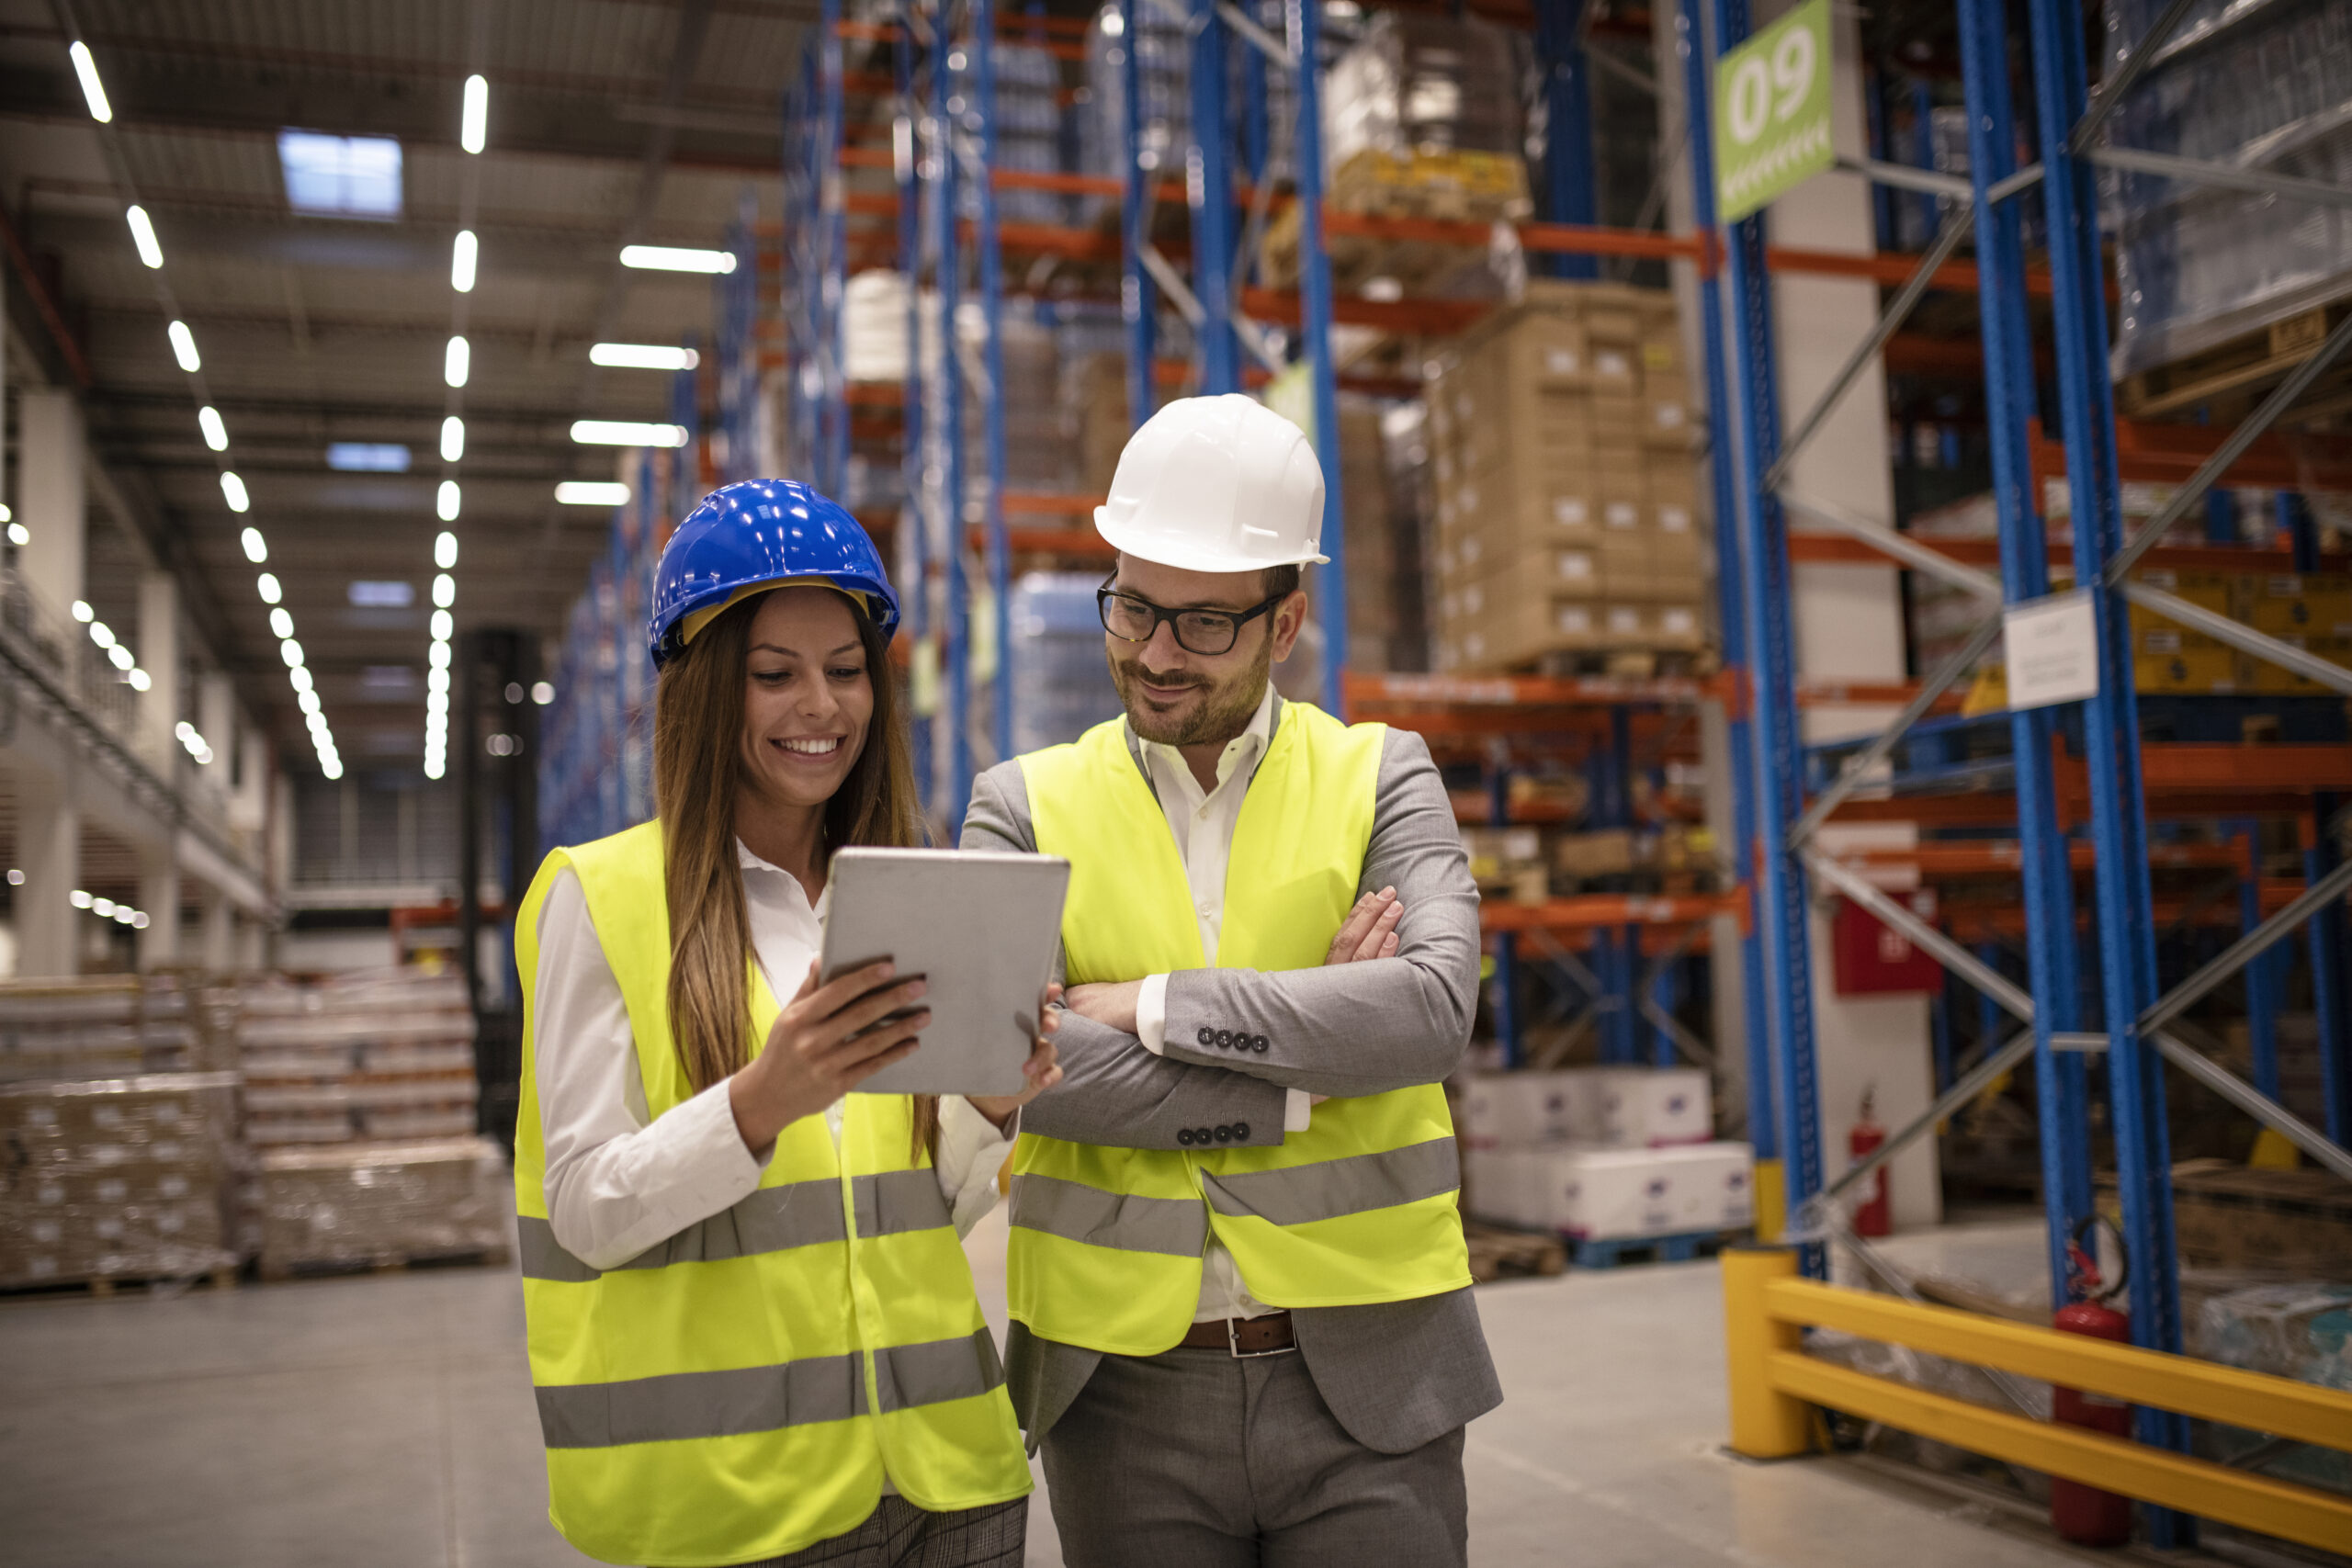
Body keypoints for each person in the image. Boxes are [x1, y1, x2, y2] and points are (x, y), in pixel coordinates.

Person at [961, 395, 1501, 1565]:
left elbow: (1427, 1015)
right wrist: (1310, 1062)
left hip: (1373, 1369)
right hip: (1119, 1387)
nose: (1155, 652)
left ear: (1284, 622)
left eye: (1203, 624)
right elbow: (1005, 1059)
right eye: (1134, 608)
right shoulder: (1018, 805)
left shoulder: (1382, 774)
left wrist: (1150, 1006)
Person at [514, 480, 1057, 1568]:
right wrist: (759, 1104)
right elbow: (582, 1209)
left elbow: (902, 1219)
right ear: (706, 689)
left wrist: (990, 1109)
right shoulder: (604, 896)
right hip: (743, 1503)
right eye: (776, 675)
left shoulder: (909, 896)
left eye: (846, 671)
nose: (822, 706)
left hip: (950, 1470)